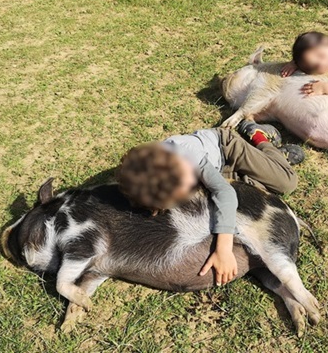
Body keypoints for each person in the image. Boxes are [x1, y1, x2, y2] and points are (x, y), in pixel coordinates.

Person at [117, 121, 304, 286]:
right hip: (218, 171)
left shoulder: (187, 156)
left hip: (228, 150)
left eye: (185, 183)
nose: (190, 189)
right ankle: (262, 167)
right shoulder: (156, 175)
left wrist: (223, 248)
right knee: (257, 190)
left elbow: (225, 192)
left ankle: (261, 140)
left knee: (286, 182)